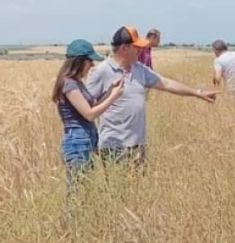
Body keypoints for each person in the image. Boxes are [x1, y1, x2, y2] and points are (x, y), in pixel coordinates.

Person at [87, 26, 219, 167]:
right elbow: (87, 109)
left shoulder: (140, 69)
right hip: (114, 147)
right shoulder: (100, 72)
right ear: (124, 48)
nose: (140, 50)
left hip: (138, 145)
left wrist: (197, 93)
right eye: (136, 47)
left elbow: (166, 83)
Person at [51, 39, 125, 184]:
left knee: (85, 188)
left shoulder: (77, 83)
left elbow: (94, 104)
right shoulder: (69, 85)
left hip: (85, 140)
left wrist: (110, 90)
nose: (92, 65)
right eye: (89, 61)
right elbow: (89, 114)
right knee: (78, 192)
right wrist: (113, 97)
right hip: (77, 142)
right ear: (79, 62)